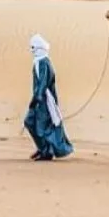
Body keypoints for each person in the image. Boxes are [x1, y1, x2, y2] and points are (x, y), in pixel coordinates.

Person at [24, 34, 74, 162]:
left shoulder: (43, 63)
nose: (32, 50)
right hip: (39, 99)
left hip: (43, 100)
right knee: (30, 122)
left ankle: (46, 152)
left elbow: (43, 83)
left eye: (33, 47)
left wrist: (37, 98)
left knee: (40, 126)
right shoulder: (39, 61)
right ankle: (43, 148)